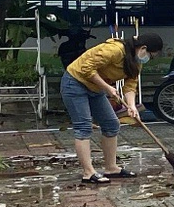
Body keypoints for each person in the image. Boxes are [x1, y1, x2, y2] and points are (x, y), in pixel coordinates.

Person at [62, 33, 163, 185]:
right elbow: (86, 68)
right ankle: (88, 173)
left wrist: (131, 106)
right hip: (75, 83)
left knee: (111, 124)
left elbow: (130, 85)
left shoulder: (136, 62)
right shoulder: (114, 50)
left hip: (96, 88)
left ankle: (111, 168)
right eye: (151, 55)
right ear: (143, 48)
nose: (149, 59)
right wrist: (107, 87)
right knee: (83, 127)